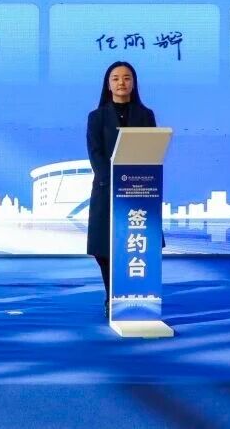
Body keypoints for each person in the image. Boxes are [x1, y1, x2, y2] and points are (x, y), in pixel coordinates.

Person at [86, 61, 157, 317]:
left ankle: (136, 296)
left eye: (126, 78)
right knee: (104, 248)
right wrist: (114, 180)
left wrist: (134, 180)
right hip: (106, 189)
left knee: (135, 246)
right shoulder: (97, 117)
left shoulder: (146, 115)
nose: (121, 82)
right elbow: (95, 153)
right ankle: (111, 296)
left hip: (139, 191)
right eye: (115, 78)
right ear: (108, 84)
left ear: (133, 83)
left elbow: (153, 148)